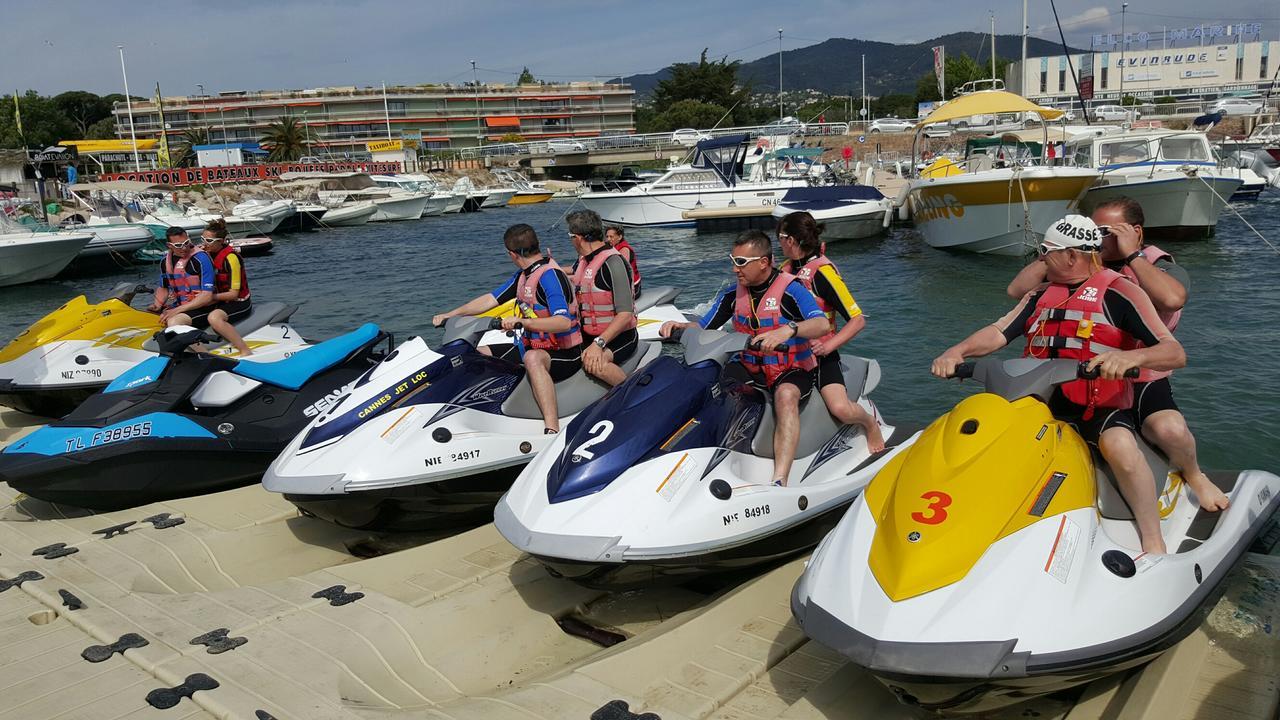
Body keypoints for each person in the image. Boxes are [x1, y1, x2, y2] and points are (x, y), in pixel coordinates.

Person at [933, 215, 1186, 554]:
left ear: (1071, 256)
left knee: (1122, 450)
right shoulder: (1039, 294)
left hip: (1098, 406)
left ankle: (1152, 536)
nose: (1039, 259)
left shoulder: (1122, 293)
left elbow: (1173, 352)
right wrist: (957, 351)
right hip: (1036, 401)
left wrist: (1131, 359)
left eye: (1045, 252)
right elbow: (998, 332)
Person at [1006, 197, 1227, 513]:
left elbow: (1172, 298)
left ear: (1135, 231)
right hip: (1087, 375)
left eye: (1106, 230)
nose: (1099, 237)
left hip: (1142, 374)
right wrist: (1057, 246)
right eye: (1093, 230)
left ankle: (1195, 475)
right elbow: (1017, 291)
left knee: (1169, 429)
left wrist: (1132, 255)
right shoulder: (1081, 266)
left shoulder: (1158, 266)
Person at [660, 230, 830, 487]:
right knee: (710, 388)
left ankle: (780, 478)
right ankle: (699, 456)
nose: (734, 268)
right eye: (733, 260)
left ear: (763, 262)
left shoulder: (791, 289)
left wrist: (788, 330)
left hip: (789, 367)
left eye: (741, 262)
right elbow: (704, 327)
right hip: (749, 365)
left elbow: (821, 324)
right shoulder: (733, 294)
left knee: (785, 397)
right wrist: (679, 327)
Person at [432, 224, 582, 434]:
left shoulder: (550, 276)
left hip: (565, 353)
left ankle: (552, 427)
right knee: (474, 353)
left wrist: (523, 322)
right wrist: (452, 314)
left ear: (511, 254)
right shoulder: (523, 276)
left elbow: (563, 322)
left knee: (532, 359)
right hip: (530, 345)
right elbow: (490, 300)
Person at [777, 212, 884, 453]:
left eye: (781, 237)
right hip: (789, 353)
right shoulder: (785, 269)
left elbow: (857, 320)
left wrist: (827, 346)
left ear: (791, 240)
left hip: (821, 355)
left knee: (840, 409)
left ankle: (870, 423)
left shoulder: (823, 273)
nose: (779, 242)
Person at [568, 211, 636, 387]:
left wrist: (599, 344)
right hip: (587, 335)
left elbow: (625, 313)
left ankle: (632, 399)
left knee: (596, 365)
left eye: (570, 236)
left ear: (578, 238)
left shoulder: (613, 263)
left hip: (620, 337)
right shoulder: (584, 261)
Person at [197, 219, 254, 356]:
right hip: (216, 300)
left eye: (209, 241)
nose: (205, 243)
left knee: (214, 318)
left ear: (221, 241)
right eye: (203, 239)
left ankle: (245, 350)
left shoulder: (231, 258)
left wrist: (208, 297)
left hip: (239, 302)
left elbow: (233, 294)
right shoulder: (204, 255)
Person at [147, 227, 216, 330]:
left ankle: (198, 345)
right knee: (147, 319)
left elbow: (207, 296)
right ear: (169, 246)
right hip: (181, 306)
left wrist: (177, 310)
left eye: (186, 243)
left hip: (204, 307)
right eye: (178, 245)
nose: (184, 248)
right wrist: (157, 305)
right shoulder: (165, 262)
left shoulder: (201, 259)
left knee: (174, 323)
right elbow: (164, 287)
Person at [604, 224, 642, 297]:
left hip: (633, 288)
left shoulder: (624, 249)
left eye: (611, 237)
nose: (608, 239)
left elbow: (621, 271)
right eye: (607, 236)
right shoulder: (611, 246)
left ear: (619, 237)